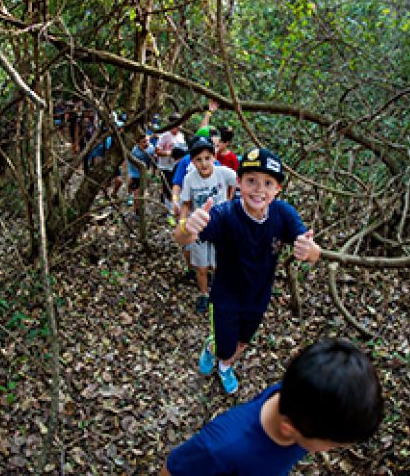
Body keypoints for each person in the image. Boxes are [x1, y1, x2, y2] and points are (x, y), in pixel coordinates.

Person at [173, 146, 321, 394]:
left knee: (243, 341)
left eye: (267, 183)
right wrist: (188, 227)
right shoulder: (225, 214)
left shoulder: (283, 214)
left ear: (277, 189)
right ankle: (218, 355)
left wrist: (309, 251)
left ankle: (224, 364)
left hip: (258, 297)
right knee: (225, 345)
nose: (259, 189)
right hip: (225, 297)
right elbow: (180, 238)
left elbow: (314, 251)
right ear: (239, 182)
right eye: (251, 181)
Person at [160, 338, 384, 476]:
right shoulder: (221, 448)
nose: (331, 450)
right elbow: (172, 471)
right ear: (290, 427)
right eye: (332, 445)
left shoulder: (299, 399)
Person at [180, 137, 237, 314]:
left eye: (207, 158)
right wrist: (183, 225)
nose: (204, 164)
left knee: (219, 265)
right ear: (193, 161)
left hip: (221, 228)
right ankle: (204, 295)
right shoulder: (190, 179)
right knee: (201, 267)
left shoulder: (223, 173)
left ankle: (221, 294)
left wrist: (231, 201)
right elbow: (186, 203)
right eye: (198, 159)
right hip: (200, 229)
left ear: (214, 157)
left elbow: (241, 182)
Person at [156, 113, 186, 224]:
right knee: (168, 188)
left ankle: (174, 209)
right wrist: (169, 153)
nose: (178, 127)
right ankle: (169, 213)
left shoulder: (181, 136)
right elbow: (157, 151)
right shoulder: (164, 135)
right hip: (166, 166)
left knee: (176, 187)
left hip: (177, 166)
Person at [127, 134, 156, 214]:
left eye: (147, 141)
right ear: (138, 143)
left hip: (145, 173)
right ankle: (136, 209)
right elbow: (131, 163)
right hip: (135, 172)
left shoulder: (151, 148)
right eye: (143, 142)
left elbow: (153, 161)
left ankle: (139, 209)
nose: (146, 143)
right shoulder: (134, 151)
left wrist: (152, 172)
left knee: (141, 192)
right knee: (136, 192)